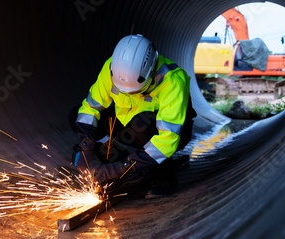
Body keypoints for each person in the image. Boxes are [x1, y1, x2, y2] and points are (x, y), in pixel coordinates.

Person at [70, 34, 196, 199]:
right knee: (75, 115)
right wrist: (86, 146)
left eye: (136, 90)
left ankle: (162, 174)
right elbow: (90, 108)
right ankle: (111, 153)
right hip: (126, 125)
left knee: (142, 126)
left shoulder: (172, 81)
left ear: (150, 73)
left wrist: (122, 167)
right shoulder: (112, 68)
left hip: (161, 132)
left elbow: (167, 139)